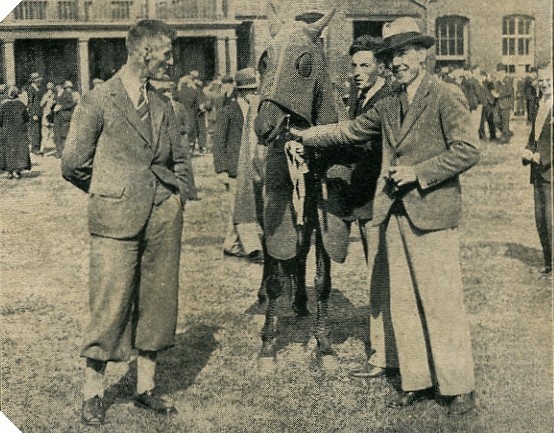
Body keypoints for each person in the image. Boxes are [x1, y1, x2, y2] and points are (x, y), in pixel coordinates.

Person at [292, 17, 478, 415]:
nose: (396, 62)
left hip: (432, 211)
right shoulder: (390, 104)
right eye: (390, 55)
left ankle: (458, 385)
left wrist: (419, 172)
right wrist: (304, 136)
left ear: (423, 54)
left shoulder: (446, 95)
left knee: (441, 300)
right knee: (404, 301)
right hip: (393, 212)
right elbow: (350, 131)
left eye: (404, 53)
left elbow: (467, 150)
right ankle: (417, 380)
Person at [62, 19, 190, 425]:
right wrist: (110, 191)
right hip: (114, 217)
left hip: (162, 217)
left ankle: (146, 388)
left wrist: (175, 195)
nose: (171, 61)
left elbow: (179, 157)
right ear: (144, 52)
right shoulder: (98, 100)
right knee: (109, 304)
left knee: (157, 303)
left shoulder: (163, 103)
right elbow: (72, 164)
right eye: (166, 53)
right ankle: (93, 392)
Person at [326, 35, 398, 380]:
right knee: (375, 273)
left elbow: (364, 144)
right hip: (361, 198)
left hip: (378, 200)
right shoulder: (361, 95)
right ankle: (383, 348)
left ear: (380, 66)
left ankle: (384, 354)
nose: (357, 72)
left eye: (364, 65)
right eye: (354, 65)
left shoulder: (387, 98)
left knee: (380, 275)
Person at [213, 68, 264, 263]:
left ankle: (231, 244)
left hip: (253, 166)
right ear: (241, 91)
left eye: (255, 90)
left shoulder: (259, 111)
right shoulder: (228, 111)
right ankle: (252, 248)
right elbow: (218, 142)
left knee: (241, 206)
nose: (253, 94)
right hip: (234, 168)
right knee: (240, 206)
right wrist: (221, 169)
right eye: (250, 90)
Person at [522, 64, 552, 277]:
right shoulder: (540, 104)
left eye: (548, 79)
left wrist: (544, 156)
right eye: (541, 80)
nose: (544, 83)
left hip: (550, 170)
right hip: (538, 170)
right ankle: (548, 261)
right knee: (540, 217)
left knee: (551, 218)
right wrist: (528, 149)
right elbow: (535, 134)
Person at [162, 82, 199, 200]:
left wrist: (179, 130)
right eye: (165, 92)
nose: (167, 94)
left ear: (173, 93)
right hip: (166, 140)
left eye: (169, 91)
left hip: (181, 140)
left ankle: (191, 193)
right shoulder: (160, 107)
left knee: (186, 165)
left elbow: (188, 125)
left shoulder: (180, 107)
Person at [0, 85, 31, 179]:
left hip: (7, 131)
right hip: (19, 131)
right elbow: (26, 118)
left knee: (8, 150)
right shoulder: (21, 105)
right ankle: (17, 171)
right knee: (19, 150)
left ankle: (9, 171)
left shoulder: (3, 105)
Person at [52, 81, 78, 158]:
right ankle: (61, 152)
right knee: (60, 135)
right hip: (61, 117)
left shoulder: (63, 94)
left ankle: (62, 152)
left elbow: (69, 104)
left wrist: (60, 107)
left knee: (62, 134)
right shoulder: (62, 94)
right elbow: (65, 105)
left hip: (62, 116)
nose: (70, 89)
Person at [22, 72, 44, 155]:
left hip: (38, 112)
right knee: (35, 131)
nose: (39, 81)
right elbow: (30, 102)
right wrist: (33, 113)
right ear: (34, 81)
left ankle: (37, 147)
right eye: (37, 79)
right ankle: (35, 148)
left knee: (38, 130)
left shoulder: (37, 88)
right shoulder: (31, 89)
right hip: (35, 113)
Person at [492, 64, 514, 144]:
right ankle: (508, 133)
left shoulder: (508, 80)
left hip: (505, 104)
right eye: (498, 72)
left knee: (505, 122)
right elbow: (496, 90)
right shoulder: (497, 81)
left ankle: (505, 138)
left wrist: (499, 95)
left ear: (504, 72)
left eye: (500, 72)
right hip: (498, 104)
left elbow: (510, 92)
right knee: (496, 121)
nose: (498, 74)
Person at [478, 71, 497, 141]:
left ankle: (493, 136)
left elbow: (492, 91)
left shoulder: (489, 83)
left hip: (489, 104)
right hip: (484, 104)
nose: (482, 78)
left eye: (483, 76)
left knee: (490, 120)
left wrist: (491, 101)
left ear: (485, 77)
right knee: (482, 121)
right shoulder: (480, 84)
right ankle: (482, 135)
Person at [40, 82, 56, 154]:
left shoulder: (55, 96)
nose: (50, 90)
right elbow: (41, 104)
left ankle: (56, 148)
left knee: (53, 133)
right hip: (46, 116)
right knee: (45, 133)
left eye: (51, 89)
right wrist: (46, 98)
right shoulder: (45, 96)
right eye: (49, 89)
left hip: (53, 116)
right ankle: (42, 149)